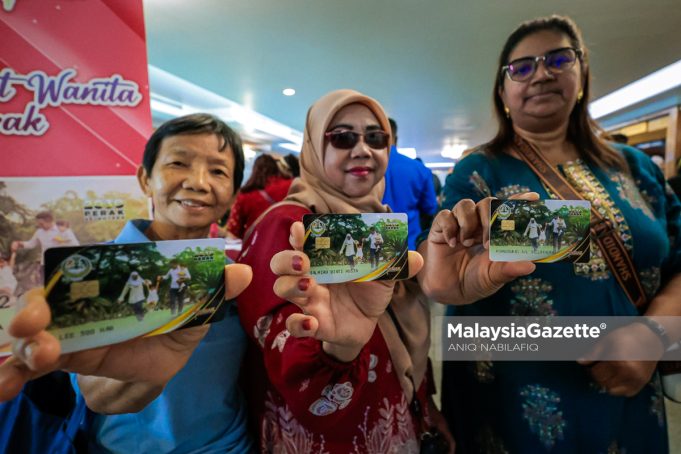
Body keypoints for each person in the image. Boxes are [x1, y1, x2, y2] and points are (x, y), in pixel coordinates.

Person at [418, 15, 681, 453]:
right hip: (513, 405)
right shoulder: (479, 171)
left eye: (559, 59)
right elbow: (442, 266)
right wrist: (439, 281)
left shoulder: (635, 168)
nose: (542, 72)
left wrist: (653, 335)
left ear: (582, 75)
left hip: (633, 390)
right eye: (521, 67)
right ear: (502, 92)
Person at [0, 113, 254, 453]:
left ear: (234, 193)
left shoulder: (236, 277)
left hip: (229, 446)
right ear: (146, 179)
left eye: (218, 171)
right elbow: (95, 396)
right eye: (179, 162)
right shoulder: (98, 271)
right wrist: (147, 375)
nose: (198, 182)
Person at [236, 89, 453, 453]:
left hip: (396, 418)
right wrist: (340, 347)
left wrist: (426, 407)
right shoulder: (286, 226)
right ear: (313, 149)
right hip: (330, 437)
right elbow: (286, 356)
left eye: (376, 137)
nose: (363, 149)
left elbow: (399, 329)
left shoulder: (378, 221)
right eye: (342, 138)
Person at [382, 118, 438, 250]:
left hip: (374, 245)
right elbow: (430, 207)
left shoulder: (361, 169)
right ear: (396, 138)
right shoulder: (419, 169)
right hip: (410, 246)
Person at [227, 153, 293, 238]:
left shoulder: (245, 195)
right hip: (282, 243)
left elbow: (233, 232)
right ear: (276, 169)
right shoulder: (290, 187)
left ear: (254, 170)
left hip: (254, 244)